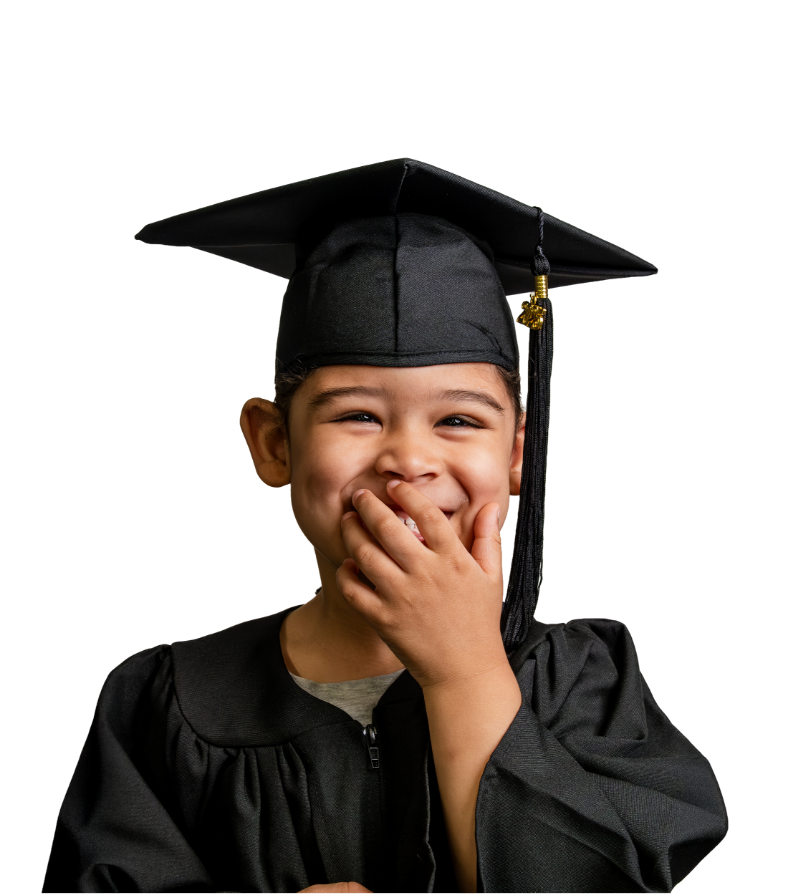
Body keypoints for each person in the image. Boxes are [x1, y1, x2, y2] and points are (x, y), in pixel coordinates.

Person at [43, 159, 728, 893]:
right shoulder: (168, 697)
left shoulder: (579, 680)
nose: (408, 460)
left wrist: (463, 667)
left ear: (517, 456)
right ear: (271, 444)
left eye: (459, 420)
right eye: (357, 416)